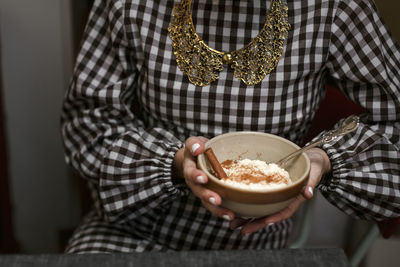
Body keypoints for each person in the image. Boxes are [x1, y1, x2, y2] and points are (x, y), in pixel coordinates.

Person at [61, 0, 400, 253]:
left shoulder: (334, 8)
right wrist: (176, 163)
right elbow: (87, 123)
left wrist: (323, 160)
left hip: (255, 242)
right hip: (134, 232)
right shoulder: (129, 4)